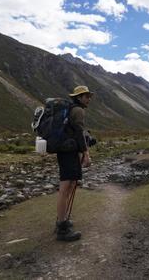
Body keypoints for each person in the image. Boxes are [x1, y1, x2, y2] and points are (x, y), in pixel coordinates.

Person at [55, 85, 93, 241]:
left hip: (65, 151)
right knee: (65, 188)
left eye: (89, 96)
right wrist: (86, 153)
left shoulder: (71, 109)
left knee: (69, 185)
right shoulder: (78, 110)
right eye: (86, 96)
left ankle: (61, 221)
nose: (89, 98)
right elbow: (78, 132)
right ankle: (62, 229)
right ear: (79, 97)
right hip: (69, 152)